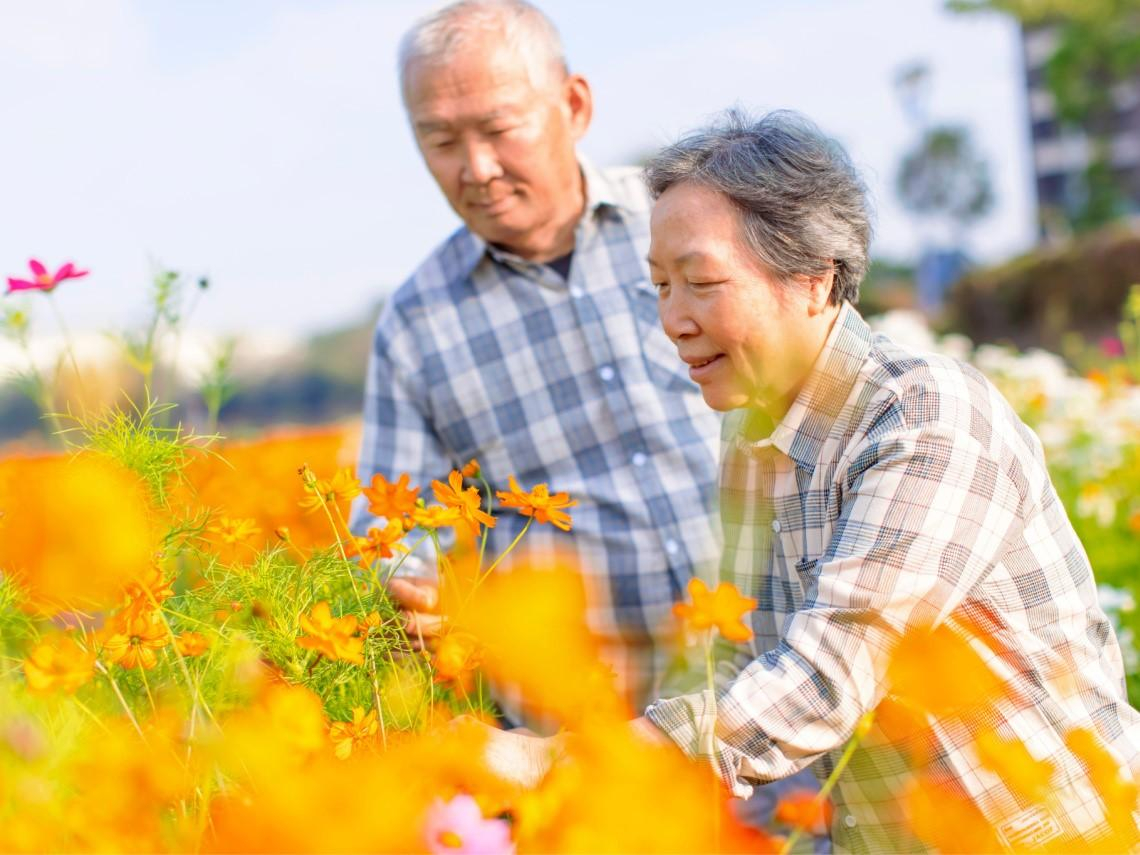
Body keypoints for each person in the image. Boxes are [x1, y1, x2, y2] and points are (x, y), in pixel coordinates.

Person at [485, 109, 1140, 851]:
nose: (673, 319)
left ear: (814, 280)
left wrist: (561, 760)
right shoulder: (751, 430)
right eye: (660, 285)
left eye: (700, 280)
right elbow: (736, 663)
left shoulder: (923, 418)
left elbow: (826, 677)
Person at [351, 0, 723, 729]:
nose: (477, 168)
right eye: (440, 140)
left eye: (498, 128)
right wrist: (408, 584)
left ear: (573, 104)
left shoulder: (694, 226)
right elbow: (393, 521)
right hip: (584, 739)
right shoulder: (417, 323)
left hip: (774, 689)